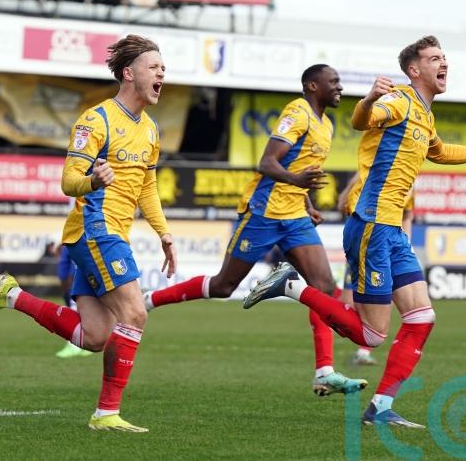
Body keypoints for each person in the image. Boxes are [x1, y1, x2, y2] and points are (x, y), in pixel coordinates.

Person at [244, 35, 466, 427]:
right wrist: (370, 99)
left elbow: (439, 152)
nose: (444, 64)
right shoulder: (399, 100)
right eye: (435, 58)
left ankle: (381, 408)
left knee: (421, 318)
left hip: (391, 231)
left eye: (445, 57)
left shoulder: (424, 113)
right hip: (372, 224)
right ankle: (291, 287)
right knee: (372, 336)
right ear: (414, 70)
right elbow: (361, 121)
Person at [0, 34, 177, 433]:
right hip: (94, 231)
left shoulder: (150, 130)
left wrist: (163, 233)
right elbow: (68, 181)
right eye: (155, 67)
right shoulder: (95, 120)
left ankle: (12, 296)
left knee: (96, 336)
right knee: (134, 313)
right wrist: (93, 182)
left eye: (163, 68)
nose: (161, 73)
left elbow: (147, 186)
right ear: (129, 73)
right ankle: (106, 414)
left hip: (113, 234)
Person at [142, 64, 367, 396]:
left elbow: (298, 168)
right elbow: (267, 162)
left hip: (294, 216)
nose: (340, 87)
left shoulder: (327, 125)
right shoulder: (298, 112)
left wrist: (305, 202)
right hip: (263, 212)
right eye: (333, 81)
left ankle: (324, 372)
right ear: (312, 86)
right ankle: (148, 300)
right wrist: (295, 182)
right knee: (223, 285)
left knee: (323, 289)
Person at [336, 173, 415, 366]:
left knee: (381, 304)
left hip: (389, 248)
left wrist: (406, 245)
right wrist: (351, 184)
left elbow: (407, 216)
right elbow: (342, 207)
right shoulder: (363, 179)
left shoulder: (408, 183)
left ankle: (363, 351)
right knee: (347, 303)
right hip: (363, 245)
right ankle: (324, 310)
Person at [54, 244, 93, 358]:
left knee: (76, 308)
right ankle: (85, 340)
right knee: (63, 274)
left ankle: (74, 344)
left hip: (80, 240)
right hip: (69, 240)